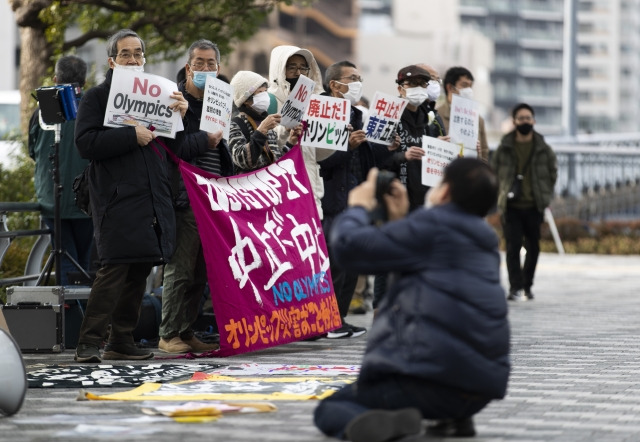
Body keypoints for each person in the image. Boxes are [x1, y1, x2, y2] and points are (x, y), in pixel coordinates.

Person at [313, 158, 510, 442]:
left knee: (332, 408)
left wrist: (357, 206)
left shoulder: (434, 225)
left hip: (427, 384)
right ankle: (453, 420)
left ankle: (386, 422)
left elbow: (349, 248)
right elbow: (415, 263)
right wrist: (400, 221)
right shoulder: (483, 243)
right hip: (476, 389)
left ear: (445, 192)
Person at [73, 29, 189, 363]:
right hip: (116, 198)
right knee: (114, 269)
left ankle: (121, 340)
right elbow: (86, 144)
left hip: (151, 196)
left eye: (138, 53)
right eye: (126, 54)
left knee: (139, 269)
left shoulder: (158, 94)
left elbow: (174, 149)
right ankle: (89, 343)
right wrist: (129, 136)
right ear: (111, 60)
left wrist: (181, 117)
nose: (134, 59)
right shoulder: (97, 97)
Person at [158, 39, 233, 354]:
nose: (205, 69)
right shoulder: (175, 101)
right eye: (199, 63)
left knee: (202, 269)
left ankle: (186, 330)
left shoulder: (219, 101)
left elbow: (222, 149)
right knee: (181, 267)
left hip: (214, 196)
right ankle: (168, 333)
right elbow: (176, 149)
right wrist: (204, 138)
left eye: (211, 63)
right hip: (187, 195)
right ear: (188, 67)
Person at [319, 61, 397, 338]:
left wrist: (386, 149)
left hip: (354, 195)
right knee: (334, 262)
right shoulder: (322, 111)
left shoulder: (355, 114)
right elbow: (321, 160)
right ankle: (326, 321)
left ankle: (338, 318)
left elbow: (363, 156)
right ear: (334, 85)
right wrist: (346, 147)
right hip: (331, 196)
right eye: (352, 78)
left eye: (359, 77)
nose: (357, 83)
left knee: (350, 261)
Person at [28, 55, 94, 287]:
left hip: (50, 198)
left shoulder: (42, 110)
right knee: (84, 261)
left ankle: (68, 315)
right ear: (84, 82)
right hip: (87, 199)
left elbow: (33, 151)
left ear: (55, 78)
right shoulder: (93, 108)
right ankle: (82, 315)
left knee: (64, 254)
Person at [491, 103, 557, 301]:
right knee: (512, 247)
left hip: (534, 205)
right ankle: (515, 287)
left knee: (533, 247)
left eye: (528, 118)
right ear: (514, 122)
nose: (525, 122)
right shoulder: (504, 148)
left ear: (534, 121)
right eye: (521, 118)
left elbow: (552, 173)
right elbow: (494, 173)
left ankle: (527, 285)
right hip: (511, 206)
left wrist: (545, 195)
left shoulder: (543, 149)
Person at [267, 45, 334, 219]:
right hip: (279, 191)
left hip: (309, 187)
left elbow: (319, 154)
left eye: (303, 67)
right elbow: (264, 142)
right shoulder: (267, 101)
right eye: (292, 67)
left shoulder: (315, 103)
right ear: (279, 69)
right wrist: (285, 131)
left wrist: (333, 133)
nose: (298, 72)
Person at [228, 70, 301, 173]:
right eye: (260, 92)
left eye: (266, 91)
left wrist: (290, 143)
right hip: (248, 188)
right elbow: (243, 160)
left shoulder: (268, 125)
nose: (265, 96)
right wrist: (261, 131)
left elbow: (276, 165)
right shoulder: (235, 125)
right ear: (246, 100)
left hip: (269, 187)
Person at [436, 66, 489, 161]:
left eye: (470, 86)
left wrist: (478, 155)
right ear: (450, 87)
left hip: (470, 172)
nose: (469, 90)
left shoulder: (477, 119)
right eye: (464, 85)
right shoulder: (436, 115)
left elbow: (485, 154)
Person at [416, 63, 447, 137]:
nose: (435, 84)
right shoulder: (412, 110)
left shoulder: (434, 113)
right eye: (432, 78)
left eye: (438, 80)